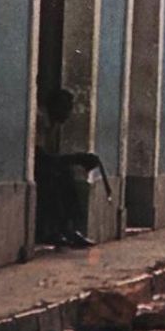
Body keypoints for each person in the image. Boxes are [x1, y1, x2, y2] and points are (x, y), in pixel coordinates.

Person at [35, 88, 110, 248]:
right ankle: (55, 230)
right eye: (65, 109)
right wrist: (75, 159)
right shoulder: (40, 121)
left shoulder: (53, 124)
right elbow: (40, 157)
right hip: (37, 171)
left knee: (64, 174)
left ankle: (68, 228)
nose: (68, 114)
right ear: (54, 107)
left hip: (43, 168)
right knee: (56, 178)